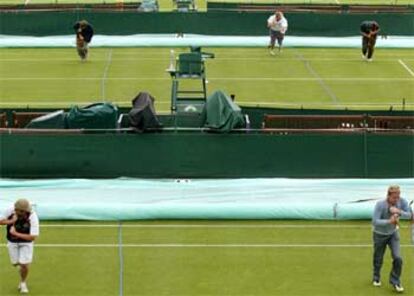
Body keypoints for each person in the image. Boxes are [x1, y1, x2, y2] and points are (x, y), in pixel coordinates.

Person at [371, 185, 412, 293]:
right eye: (394, 197)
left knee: (398, 257)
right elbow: (375, 221)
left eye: (398, 196)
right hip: (379, 234)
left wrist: (399, 211)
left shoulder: (401, 201)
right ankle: (376, 276)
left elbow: (409, 215)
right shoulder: (380, 205)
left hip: (393, 234)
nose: (396, 199)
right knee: (378, 258)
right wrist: (389, 221)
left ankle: (395, 281)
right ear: (388, 196)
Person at [0, 199, 40, 294]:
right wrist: (11, 221)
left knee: (24, 264)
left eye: (25, 211)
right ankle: (21, 268)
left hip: (26, 243)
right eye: (21, 211)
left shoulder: (32, 216)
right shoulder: (10, 211)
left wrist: (16, 233)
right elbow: (0, 221)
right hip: (12, 242)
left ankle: (23, 283)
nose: (24, 213)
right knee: (15, 263)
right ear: (16, 209)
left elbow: (32, 237)